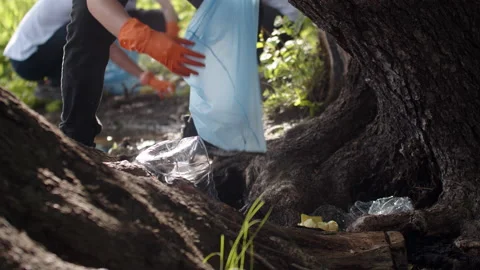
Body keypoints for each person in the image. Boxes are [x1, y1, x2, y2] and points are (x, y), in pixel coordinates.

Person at [59, 0, 204, 147]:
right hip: (48, 41)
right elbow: (97, 5)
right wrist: (147, 41)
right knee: (87, 27)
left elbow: (166, 6)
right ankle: (77, 138)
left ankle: (215, 115)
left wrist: (171, 32)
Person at [3, 0, 180, 100]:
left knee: (151, 19)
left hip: (53, 46)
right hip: (29, 59)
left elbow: (166, 7)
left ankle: (61, 81)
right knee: (91, 28)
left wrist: (171, 33)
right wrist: (145, 77)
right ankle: (56, 84)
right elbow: (106, 43)